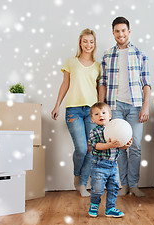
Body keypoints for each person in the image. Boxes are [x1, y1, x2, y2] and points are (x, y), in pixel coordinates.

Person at [98, 16, 151, 197]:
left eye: (123, 30)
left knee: (135, 145)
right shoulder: (107, 55)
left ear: (129, 31)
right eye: (117, 31)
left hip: (136, 106)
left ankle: (134, 184)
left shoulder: (140, 54)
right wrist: (102, 106)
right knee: (118, 144)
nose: (120, 34)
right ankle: (124, 184)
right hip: (115, 106)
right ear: (113, 33)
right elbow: (103, 82)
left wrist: (145, 106)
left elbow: (146, 83)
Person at [51, 28, 100, 197]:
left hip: (92, 112)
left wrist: (102, 111)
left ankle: (82, 184)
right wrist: (57, 105)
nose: (88, 44)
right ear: (80, 42)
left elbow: (100, 90)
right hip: (74, 110)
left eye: (91, 41)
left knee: (90, 148)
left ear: (95, 44)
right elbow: (65, 84)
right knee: (81, 148)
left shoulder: (98, 66)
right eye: (85, 41)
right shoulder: (71, 62)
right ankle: (77, 175)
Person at [88, 102, 132, 217]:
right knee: (97, 189)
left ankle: (110, 208)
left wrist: (125, 145)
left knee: (114, 187)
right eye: (96, 114)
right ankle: (94, 205)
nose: (101, 115)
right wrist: (108, 145)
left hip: (113, 165)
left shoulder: (116, 129)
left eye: (103, 113)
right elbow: (96, 146)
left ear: (110, 116)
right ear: (92, 119)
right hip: (99, 166)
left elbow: (119, 145)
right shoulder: (94, 132)